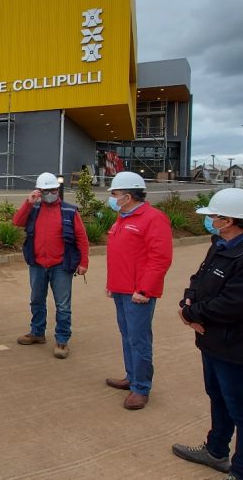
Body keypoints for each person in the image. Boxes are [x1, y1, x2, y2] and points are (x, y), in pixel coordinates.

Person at [171, 188, 243, 480]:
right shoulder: (221, 243)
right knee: (217, 396)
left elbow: (233, 305)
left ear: (230, 220)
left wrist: (190, 314)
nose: (209, 221)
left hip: (238, 346)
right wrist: (187, 303)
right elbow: (199, 279)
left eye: (214, 216)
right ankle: (216, 450)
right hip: (211, 340)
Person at [104, 171, 173, 410]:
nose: (112, 198)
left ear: (128, 196)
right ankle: (132, 376)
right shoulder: (122, 218)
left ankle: (141, 388)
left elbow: (160, 258)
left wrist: (145, 289)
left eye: (115, 193)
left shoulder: (153, 218)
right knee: (127, 336)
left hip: (138, 293)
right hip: (121, 289)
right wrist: (111, 284)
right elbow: (120, 255)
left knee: (139, 340)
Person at [12, 172, 89, 358]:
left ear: (58, 190)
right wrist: (28, 202)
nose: (50, 193)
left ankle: (62, 340)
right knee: (36, 300)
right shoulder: (34, 208)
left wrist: (83, 262)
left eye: (53, 190)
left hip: (61, 265)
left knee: (63, 305)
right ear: (39, 191)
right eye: (46, 190)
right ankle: (37, 333)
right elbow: (17, 221)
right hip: (38, 263)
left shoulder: (70, 211)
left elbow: (81, 238)